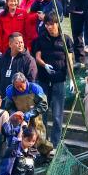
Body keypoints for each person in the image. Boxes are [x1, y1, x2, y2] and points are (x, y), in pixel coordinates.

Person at [33, 13, 73, 146]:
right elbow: (37, 57)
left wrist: (71, 79)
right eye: (47, 24)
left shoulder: (66, 39)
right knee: (42, 113)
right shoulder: (41, 39)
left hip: (59, 81)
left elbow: (69, 60)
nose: (49, 27)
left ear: (57, 24)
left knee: (57, 115)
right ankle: (43, 143)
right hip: (43, 80)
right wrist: (44, 65)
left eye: (52, 24)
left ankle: (55, 143)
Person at [4, 72, 52, 158]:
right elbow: (8, 107)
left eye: (21, 86)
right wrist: (15, 113)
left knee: (39, 137)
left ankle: (46, 157)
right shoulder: (11, 91)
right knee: (21, 136)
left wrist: (31, 113)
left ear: (25, 81)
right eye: (17, 87)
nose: (19, 89)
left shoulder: (34, 88)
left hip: (35, 115)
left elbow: (44, 105)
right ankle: (20, 156)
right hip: (19, 118)